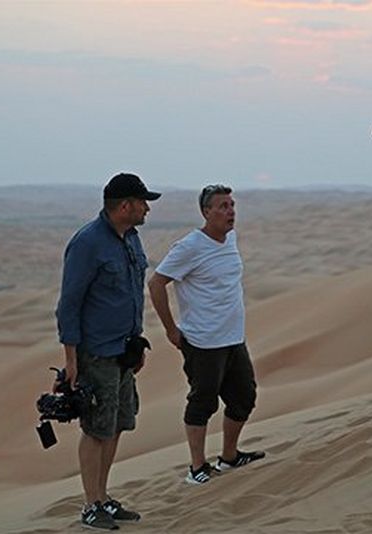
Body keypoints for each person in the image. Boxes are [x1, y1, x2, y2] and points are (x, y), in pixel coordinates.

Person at [55, 172, 160, 530]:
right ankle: (91, 505)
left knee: (116, 424)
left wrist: (137, 343)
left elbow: (131, 295)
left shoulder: (131, 238)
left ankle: (103, 498)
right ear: (125, 206)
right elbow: (69, 304)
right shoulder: (88, 243)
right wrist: (71, 360)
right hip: (96, 353)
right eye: (143, 202)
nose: (147, 209)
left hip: (124, 351)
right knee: (97, 428)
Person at [148, 184, 264, 485]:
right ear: (206, 212)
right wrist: (171, 329)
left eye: (232, 205)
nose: (231, 211)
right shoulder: (189, 247)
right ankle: (197, 467)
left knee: (244, 398)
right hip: (203, 342)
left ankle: (229, 456)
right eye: (223, 206)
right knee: (203, 403)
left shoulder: (230, 239)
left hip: (234, 339)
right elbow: (156, 284)